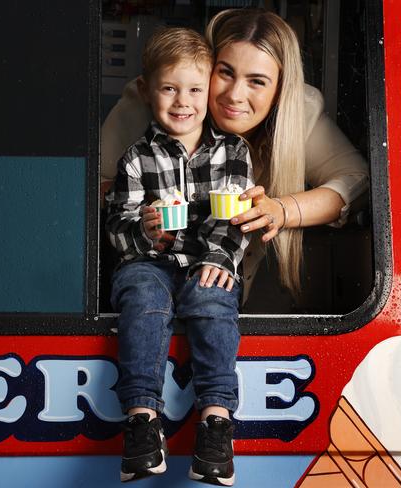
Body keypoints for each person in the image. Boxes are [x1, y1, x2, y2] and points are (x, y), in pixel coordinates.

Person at [101, 8, 369, 302]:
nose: (234, 95)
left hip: (222, 288)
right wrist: (145, 208)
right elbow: (90, 188)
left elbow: (358, 182)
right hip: (147, 281)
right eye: (226, 72)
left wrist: (281, 210)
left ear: (280, 89)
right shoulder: (158, 99)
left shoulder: (300, 111)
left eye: (257, 81)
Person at [105, 27, 253, 485]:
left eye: (194, 89)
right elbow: (118, 226)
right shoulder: (135, 158)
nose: (183, 101)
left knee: (212, 302)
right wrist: (146, 232)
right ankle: (142, 420)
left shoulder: (233, 151)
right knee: (142, 301)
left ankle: (216, 421)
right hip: (148, 264)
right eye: (170, 88)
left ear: (209, 91)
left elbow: (235, 220)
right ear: (148, 91)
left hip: (206, 261)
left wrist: (219, 259)